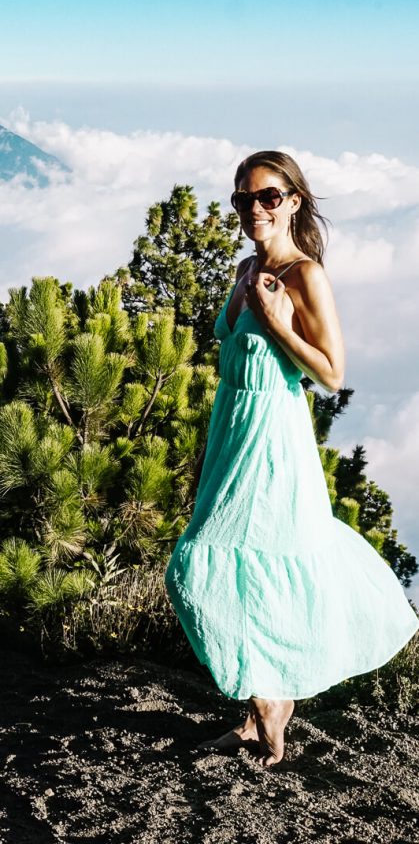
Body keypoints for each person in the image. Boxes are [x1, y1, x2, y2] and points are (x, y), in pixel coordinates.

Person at [164, 150, 419, 768]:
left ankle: (274, 699)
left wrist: (278, 325)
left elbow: (331, 372)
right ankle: (260, 710)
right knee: (245, 565)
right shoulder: (247, 268)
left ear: (294, 201)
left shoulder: (305, 276)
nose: (255, 208)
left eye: (268, 196)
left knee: (201, 563)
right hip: (234, 432)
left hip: (273, 437)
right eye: (243, 199)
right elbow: (231, 353)